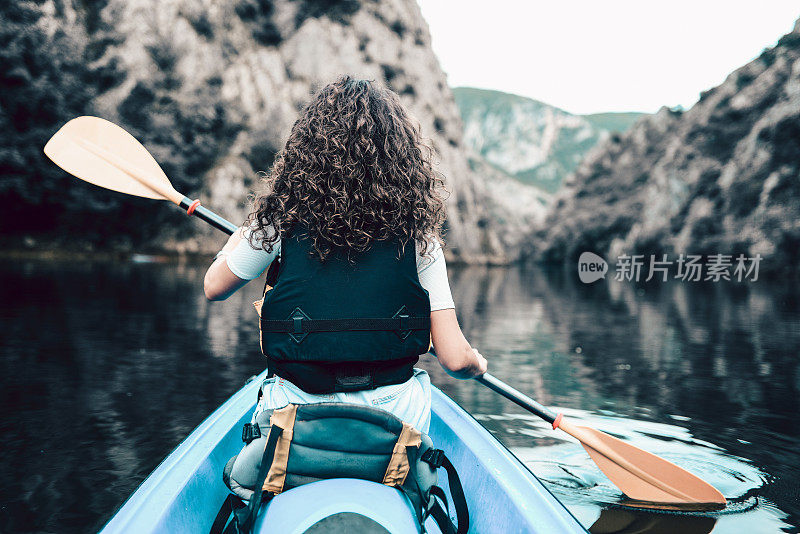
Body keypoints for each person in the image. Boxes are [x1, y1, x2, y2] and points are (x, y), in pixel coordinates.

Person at [203, 76, 487, 434]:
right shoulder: (420, 237)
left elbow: (214, 287)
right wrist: (477, 363)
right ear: (400, 157)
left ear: (307, 150)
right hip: (393, 420)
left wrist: (243, 236)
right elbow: (455, 359)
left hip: (296, 415)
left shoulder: (280, 221)